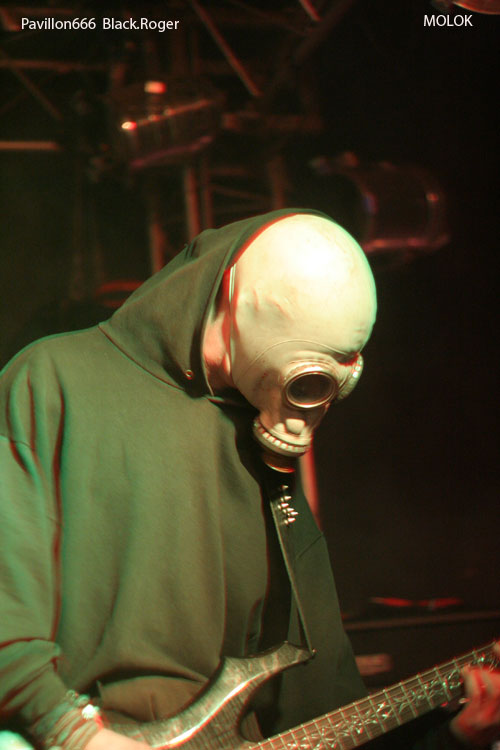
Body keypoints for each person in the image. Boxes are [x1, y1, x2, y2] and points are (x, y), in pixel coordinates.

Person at [0, 210, 498, 750]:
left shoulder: (262, 449)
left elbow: (321, 705)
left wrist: (455, 739)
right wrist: (73, 734)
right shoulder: (54, 379)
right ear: (238, 299)